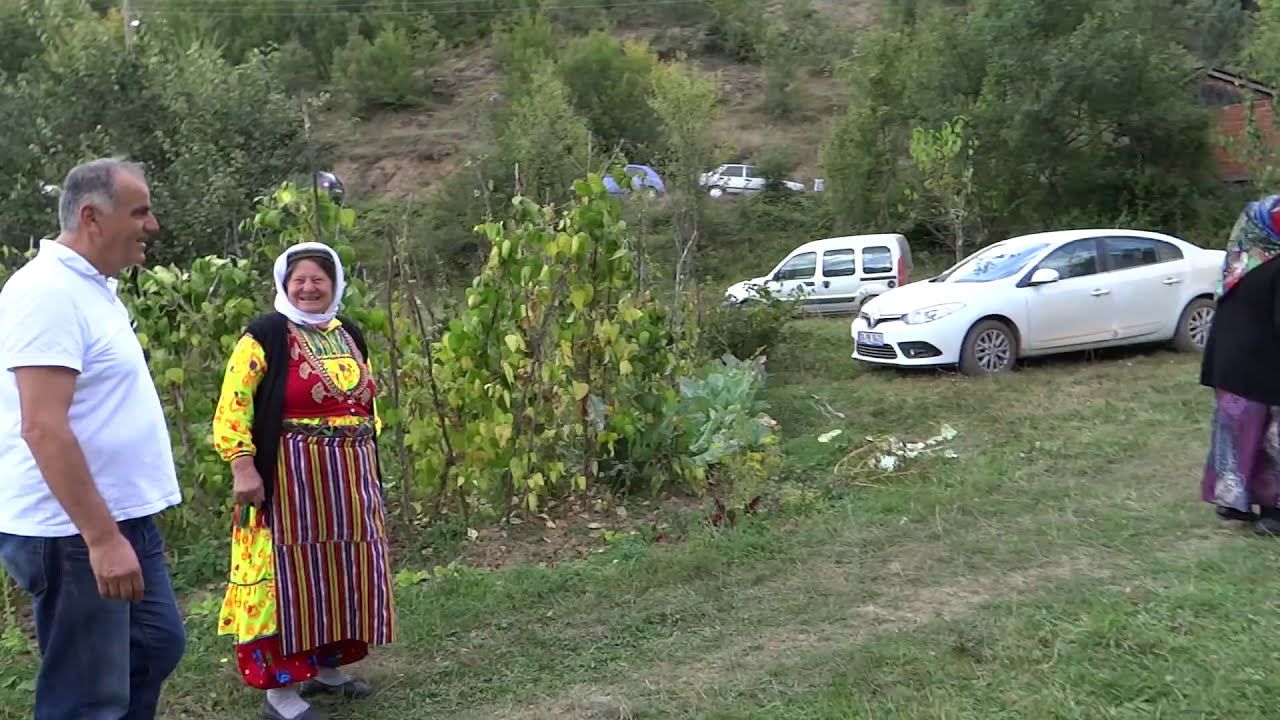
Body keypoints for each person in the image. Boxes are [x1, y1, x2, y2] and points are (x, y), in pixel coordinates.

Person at [0, 158, 186, 719]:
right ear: (92, 217)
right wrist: (101, 540)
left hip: (120, 516)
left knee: (153, 645)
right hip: (73, 530)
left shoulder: (92, 287)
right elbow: (42, 426)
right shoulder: (45, 292)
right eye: (140, 211)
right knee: (87, 697)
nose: (151, 225)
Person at [213, 241, 395, 720]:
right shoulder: (266, 335)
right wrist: (242, 464)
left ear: (334, 284)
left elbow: (366, 400)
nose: (310, 287)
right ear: (284, 285)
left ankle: (329, 668)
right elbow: (234, 406)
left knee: (340, 569)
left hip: (348, 476)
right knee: (287, 577)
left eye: (320, 279)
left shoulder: (349, 333)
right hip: (289, 476)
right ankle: (281, 693)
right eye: (300, 280)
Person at [1201, 195, 1280, 535]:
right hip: (1265, 364)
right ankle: (1274, 514)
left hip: (1229, 364)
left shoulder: (1240, 260)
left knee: (1236, 435)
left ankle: (1233, 503)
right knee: (1272, 439)